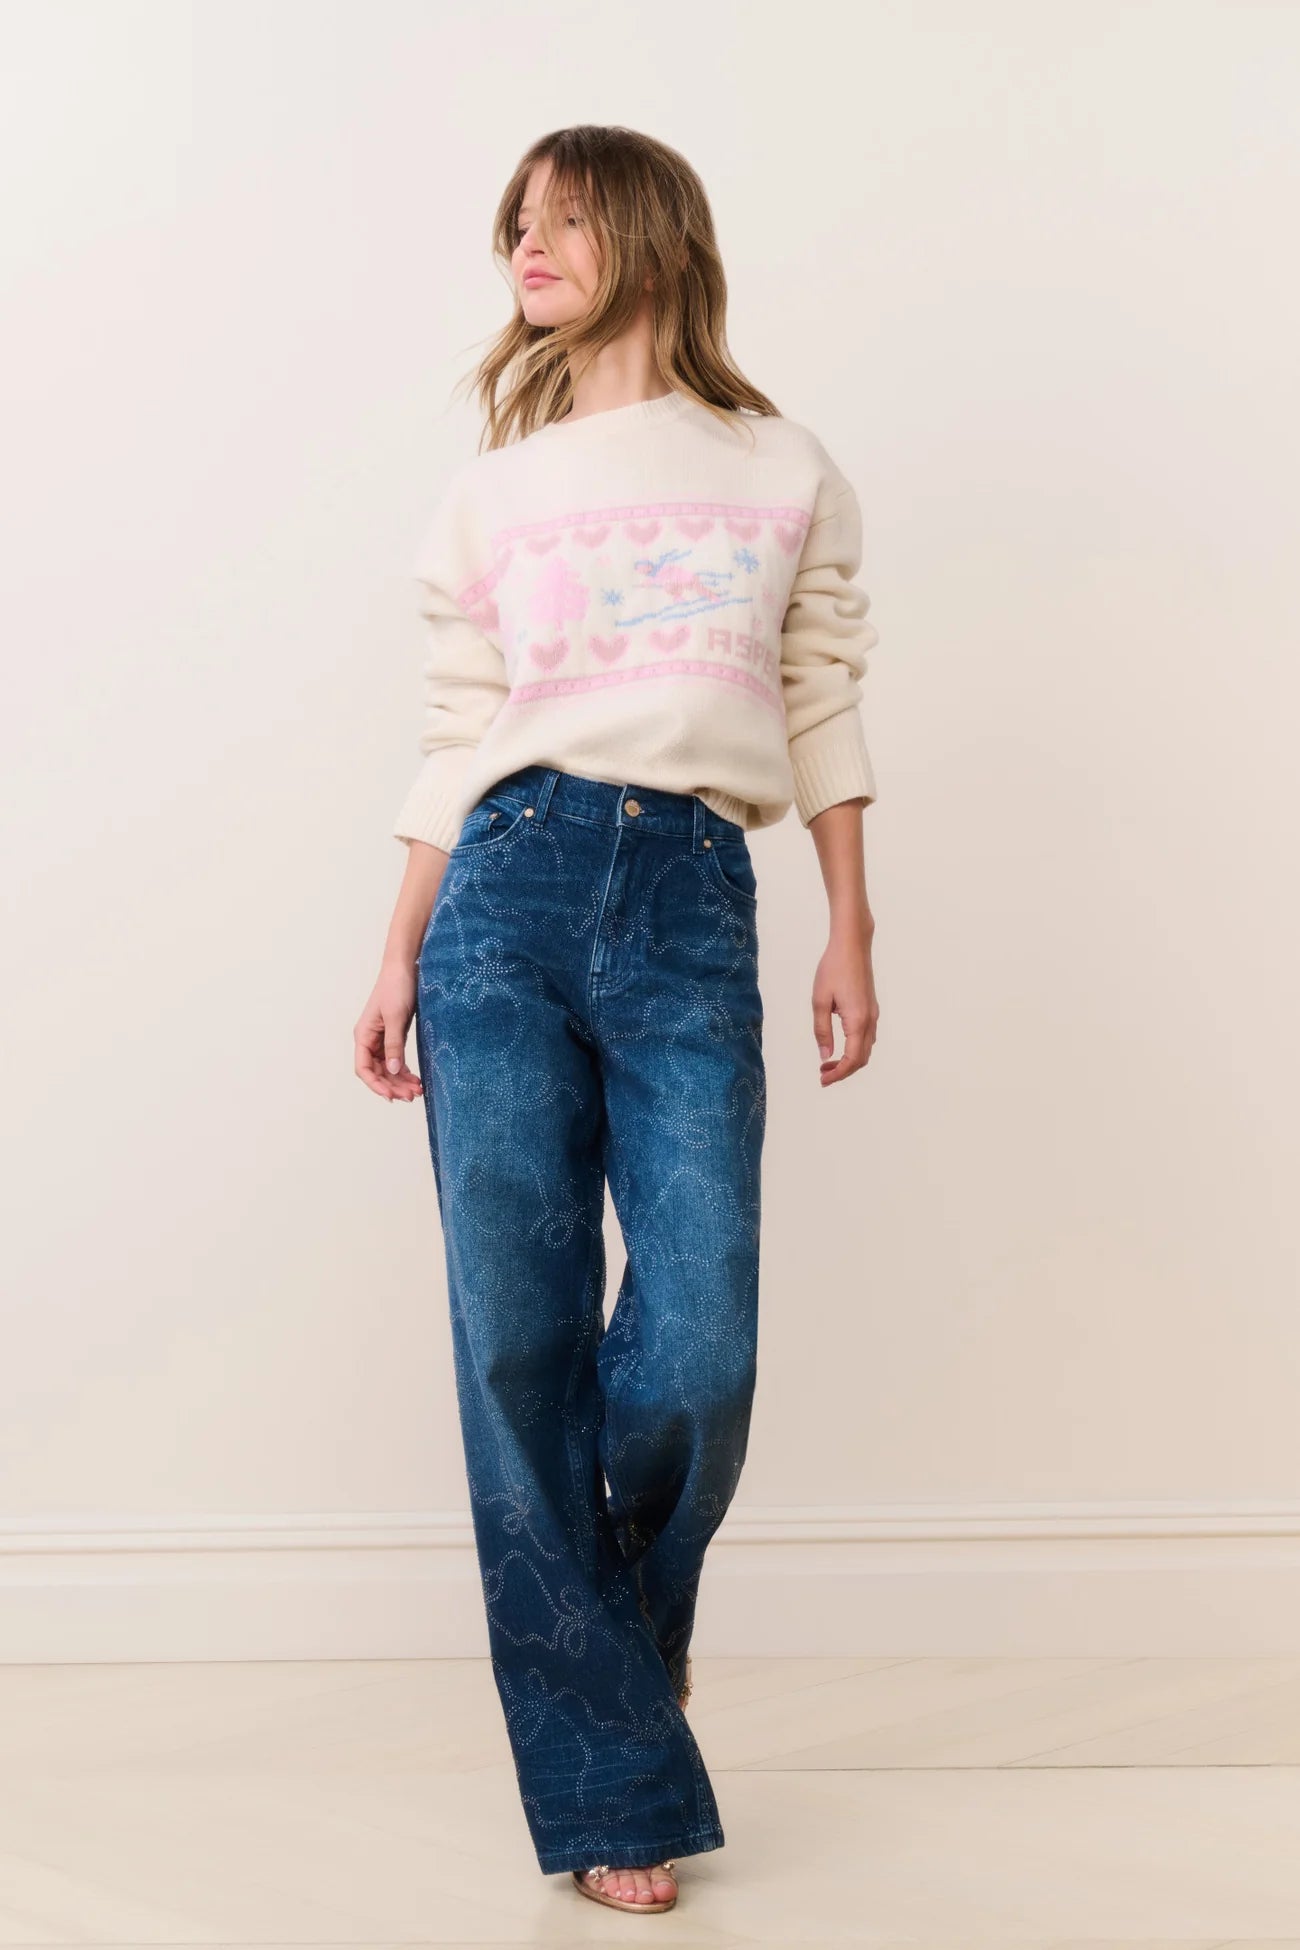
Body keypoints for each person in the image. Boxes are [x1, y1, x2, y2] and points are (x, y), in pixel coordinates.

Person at [354, 123, 881, 1918]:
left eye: (565, 217)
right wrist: (394, 949)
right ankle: (611, 1772)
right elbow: (457, 729)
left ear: (650, 235)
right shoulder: (493, 495)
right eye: (516, 223)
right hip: (500, 895)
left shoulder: (784, 465)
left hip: (689, 900)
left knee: (702, 1341)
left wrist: (852, 919)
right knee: (516, 1341)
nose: (529, 245)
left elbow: (818, 689)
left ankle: (614, 1682)